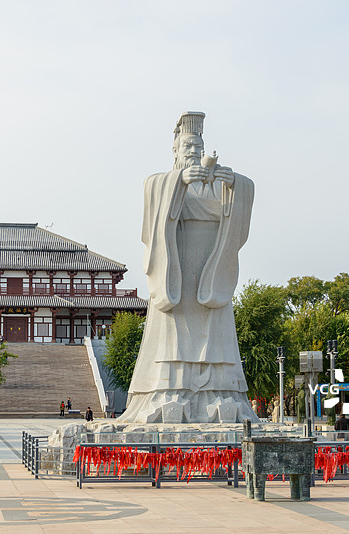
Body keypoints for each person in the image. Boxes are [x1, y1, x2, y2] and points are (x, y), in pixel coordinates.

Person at [119, 112, 258, 424]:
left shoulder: (217, 185)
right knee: (174, 332)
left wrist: (234, 184)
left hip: (212, 267)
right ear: (175, 152)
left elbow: (246, 194)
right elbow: (153, 191)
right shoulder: (163, 183)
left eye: (198, 148)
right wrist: (177, 184)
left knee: (215, 329)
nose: (194, 154)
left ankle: (221, 393)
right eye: (187, 148)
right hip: (177, 268)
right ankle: (169, 391)